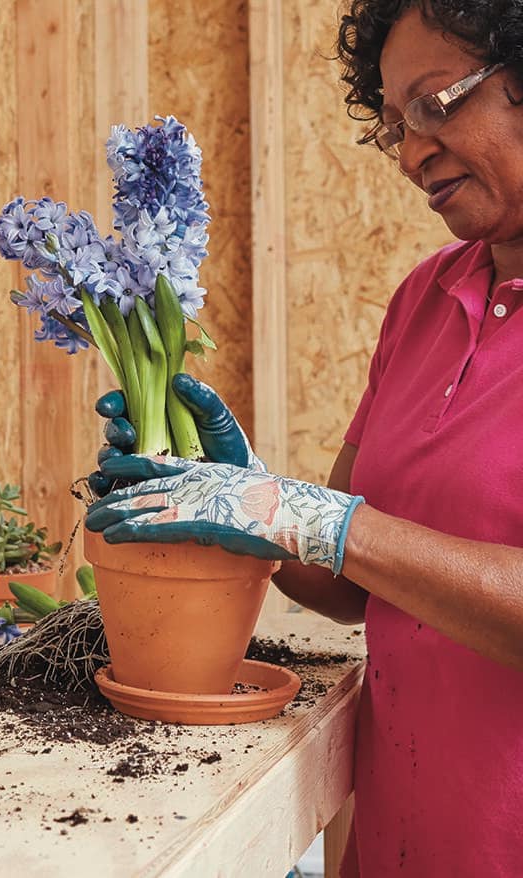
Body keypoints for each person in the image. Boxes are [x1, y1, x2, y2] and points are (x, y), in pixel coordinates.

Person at [84, 2, 523, 875]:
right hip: (398, 838)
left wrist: (319, 517)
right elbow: (345, 587)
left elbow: (345, 533)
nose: (407, 153)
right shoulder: (424, 301)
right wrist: (241, 493)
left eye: (436, 106)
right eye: (394, 126)